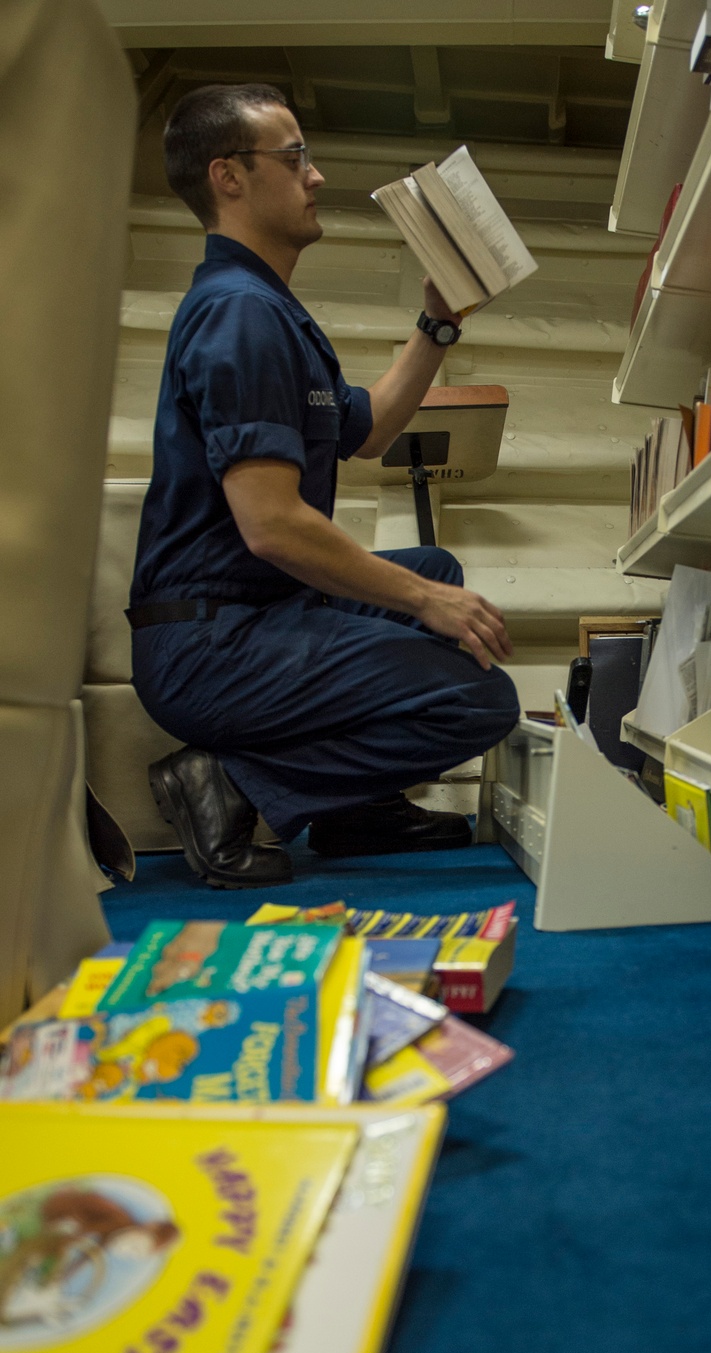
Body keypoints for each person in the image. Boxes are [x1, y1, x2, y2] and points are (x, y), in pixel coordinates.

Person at [128, 84, 521, 888]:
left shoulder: (269, 311)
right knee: (477, 700)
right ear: (229, 177)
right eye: (295, 156)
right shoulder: (240, 315)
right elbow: (271, 525)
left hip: (251, 617)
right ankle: (229, 785)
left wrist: (439, 320)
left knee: (437, 568)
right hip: (211, 645)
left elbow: (370, 429)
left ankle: (354, 808)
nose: (316, 176)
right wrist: (420, 603)